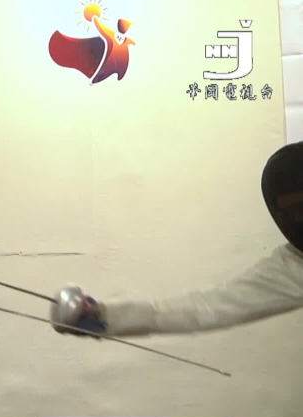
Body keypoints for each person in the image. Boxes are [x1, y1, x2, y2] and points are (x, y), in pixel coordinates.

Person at [50, 141, 303, 337]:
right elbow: (203, 309)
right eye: (290, 212)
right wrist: (104, 315)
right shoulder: (294, 267)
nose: (298, 219)